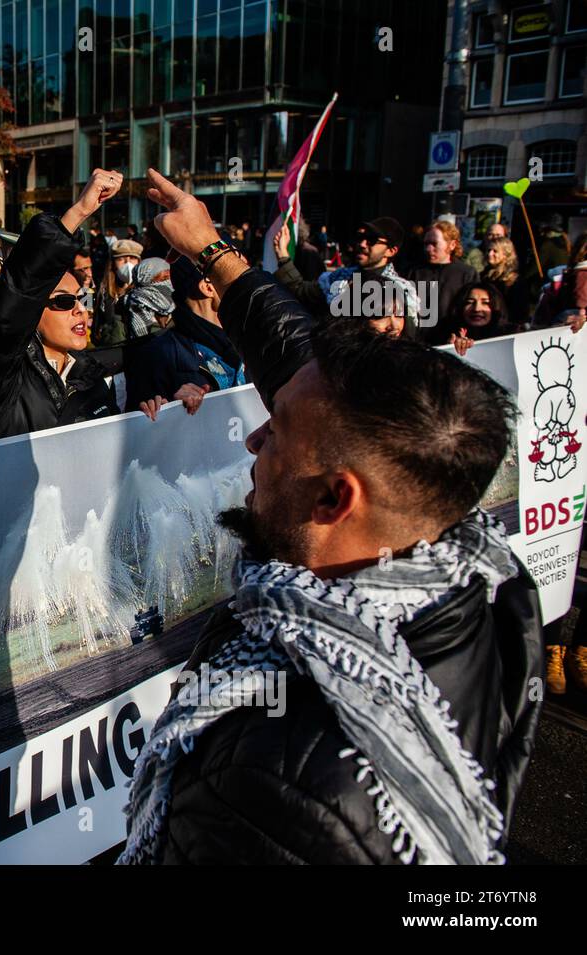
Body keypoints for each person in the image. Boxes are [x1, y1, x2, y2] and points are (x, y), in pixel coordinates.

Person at [120, 168, 541, 865]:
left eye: (277, 431)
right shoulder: (469, 571)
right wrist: (213, 249)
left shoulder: (271, 785)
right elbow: (305, 369)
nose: (255, 440)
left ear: (334, 500)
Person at [0, 169, 124, 439]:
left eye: (81, 298)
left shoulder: (91, 375)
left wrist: (148, 406)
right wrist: (76, 215)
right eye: (63, 301)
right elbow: (8, 310)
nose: (80, 310)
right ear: (31, 311)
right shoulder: (1, 376)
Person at [124, 252, 246, 418]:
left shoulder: (253, 342)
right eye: (238, 273)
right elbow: (141, 434)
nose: (249, 282)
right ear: (208, 287)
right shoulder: (156, 356)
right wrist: (173, 409)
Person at [273, 218, 419, 328]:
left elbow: (407, 340)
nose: (362, 244)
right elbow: (301, 291)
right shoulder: (340, 278)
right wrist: (283, 255)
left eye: (371, 240)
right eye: (361, 238)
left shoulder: (400, 291)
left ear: (391, 251)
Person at [410, 220, 477, 342]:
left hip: (452, 341)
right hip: (419, 341)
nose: (429, 249)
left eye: (434, 243)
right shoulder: (415, 272)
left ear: (451, 245)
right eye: (426, 244)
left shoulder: (466, 273)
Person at [92, 238, 144, 345]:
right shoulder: (104, 292)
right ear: (113, 264)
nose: (127, 263)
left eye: (133, 258)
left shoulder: (146, 291)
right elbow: (96, 327)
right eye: (121, 259)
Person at [445, 281, 518, 357]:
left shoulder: (512, 335)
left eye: (485, 303)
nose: (477, 309)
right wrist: (449, 350)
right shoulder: (442, 333)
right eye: (469, 302)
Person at [113, 257, 174, 340]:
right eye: (164, 279)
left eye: (171, 279)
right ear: (146, 281)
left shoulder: (183, 309)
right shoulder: (123, 313)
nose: (169, 283)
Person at [483, 236, 528, 326]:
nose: (490, 254)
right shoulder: (483, 276)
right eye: (489, 250)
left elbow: (519, 312)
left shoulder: (514, 281)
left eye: (495, 251)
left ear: (506, 254)